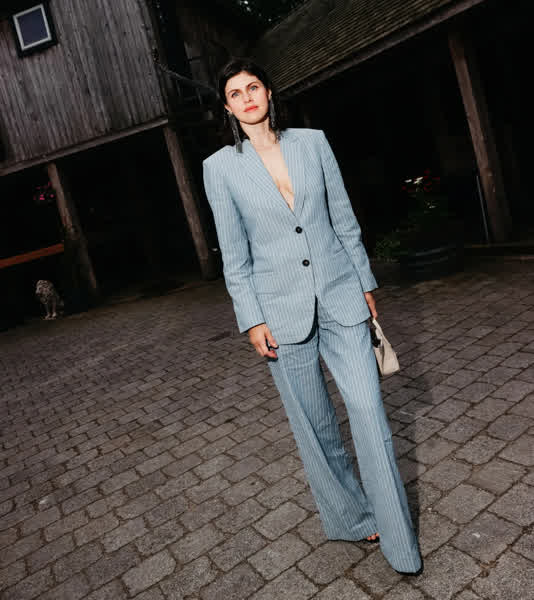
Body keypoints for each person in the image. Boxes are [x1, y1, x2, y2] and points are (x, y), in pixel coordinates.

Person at [202, 57, 423, 576]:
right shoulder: (220, 168)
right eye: (235, 93)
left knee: (368, 412)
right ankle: (351, 516)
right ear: (228, 108)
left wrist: (365, 282)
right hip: (279, 311)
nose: (247, 98)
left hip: (340, 294)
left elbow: (343, 218)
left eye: (253, 87)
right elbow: (234, 255)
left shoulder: (313, 143)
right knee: (315, 424)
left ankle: (400, 540)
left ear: (269, 92)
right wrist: (251, 318)